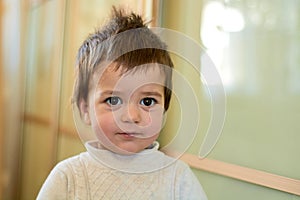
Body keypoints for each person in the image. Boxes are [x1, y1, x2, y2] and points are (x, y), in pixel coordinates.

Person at [37, 6, 207, 200]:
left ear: (165, 108)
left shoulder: (178, 178)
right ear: (85, 109)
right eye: (113, 100)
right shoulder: (68, 177)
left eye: (147, 101)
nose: (131, 117)